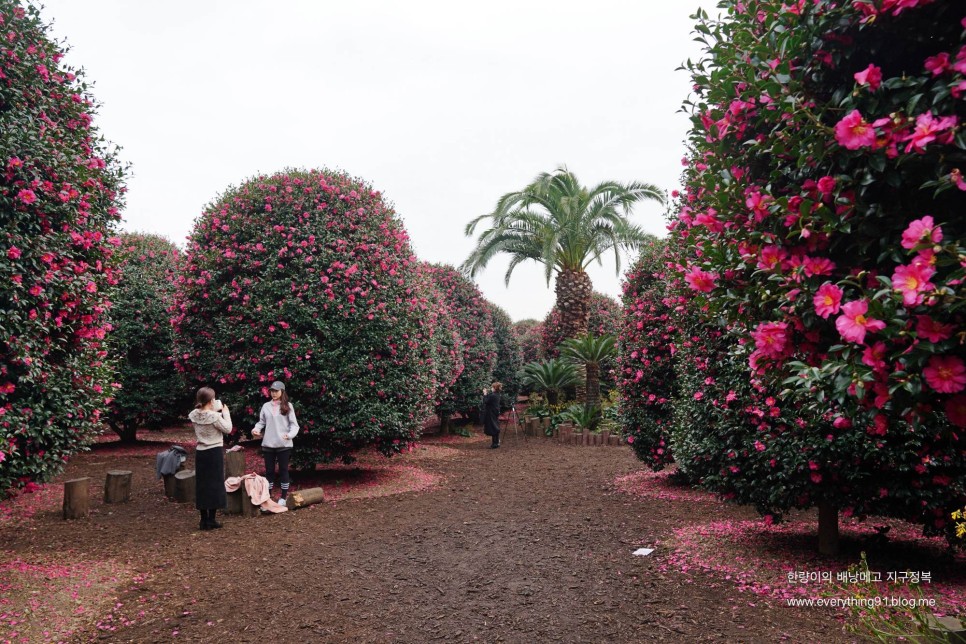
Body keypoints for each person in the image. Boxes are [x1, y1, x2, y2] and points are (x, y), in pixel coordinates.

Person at [187, 386, 232, 530]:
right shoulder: (215, 416)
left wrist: (213, 409)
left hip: (201, 451)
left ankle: (203, 520)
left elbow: (203, 414)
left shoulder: (194, 414)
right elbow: (228, 429)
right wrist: (225, 413)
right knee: (215, 485)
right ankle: (211, 520)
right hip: (214, 452)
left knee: (203, 485)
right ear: (211, 400)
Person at [252, 381, 300, 506]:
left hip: (284, 445)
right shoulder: (265, 406)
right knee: (269, 471)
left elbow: (295, 425)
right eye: (272, 391)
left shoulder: (288, 406)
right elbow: (261, 422)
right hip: (268, 444)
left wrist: (289, 435)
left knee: (283, 470)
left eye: (276, 391)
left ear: (282, 392)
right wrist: (256, 429)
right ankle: (267, 497)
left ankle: (283, 497)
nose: (273, 393)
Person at [482, 381, 502, 449]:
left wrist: (484, 394)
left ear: (494, 388)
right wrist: (487, 394)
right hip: (495, 412)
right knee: (495, 426)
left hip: (491, 413)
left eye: (492, 387)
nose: (491, 388)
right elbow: (489, 398)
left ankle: (495, 443)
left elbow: (486, 401)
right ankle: (496, 442)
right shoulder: (497, 394)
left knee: (493, 427)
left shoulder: (493, 395)